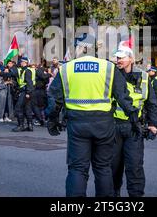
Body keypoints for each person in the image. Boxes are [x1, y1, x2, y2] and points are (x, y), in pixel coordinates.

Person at [47, 52, 139, 197]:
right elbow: (123, 96)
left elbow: (54, 98)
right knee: (103, 167)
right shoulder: (108, 67)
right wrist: (134, 119)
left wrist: (52, 120)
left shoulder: (67, 68)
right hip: (104, 124)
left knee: (77, 169)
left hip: (77, 124)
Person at [112, 47, 157, 197]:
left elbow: (151, 102)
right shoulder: (111, 75)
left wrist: (153, 124)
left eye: (122, 57)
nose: (118, 60)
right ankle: (114, 193)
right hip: (113, 126)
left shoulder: (144, 77)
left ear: (131, 59)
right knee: (113, 166)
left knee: (134, 166)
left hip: (134, 127)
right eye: (117, 58)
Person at [12, 57, 35, 132]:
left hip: (25, 91)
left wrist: (28, 93)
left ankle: (21, 125)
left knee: (18, 108)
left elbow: (29, 82)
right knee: (27, 108)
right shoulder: (24, 70)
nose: (20, 63)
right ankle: (30, 125)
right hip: (26, 91)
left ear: (25, 63)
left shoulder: (27, 71)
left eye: (22, 62)